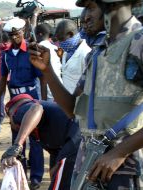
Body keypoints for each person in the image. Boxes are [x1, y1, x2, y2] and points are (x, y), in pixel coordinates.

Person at [29, 0, 143, 188]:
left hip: (126, 167)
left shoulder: (138, 42)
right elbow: (72, 110)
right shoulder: (97, 53)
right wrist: (47, 70)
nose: (84, 16)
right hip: (89, 164)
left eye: (91, 7)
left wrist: (120, 151)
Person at [0, 17, 45, 189]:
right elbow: (2, 80)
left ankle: (36, 178)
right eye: (11, 36)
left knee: (35, 139)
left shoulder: (32, 52)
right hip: (15, 103)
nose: (14, 38)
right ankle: (21, 175)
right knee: (18, 140)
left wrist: (43, 103)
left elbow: (43, 78)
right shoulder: (6, 55)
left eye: (17, 34)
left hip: (32, 99)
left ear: (23, 32)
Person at [1, 94, 81, 190]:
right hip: (77, 137)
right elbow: (56, 151)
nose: (12, 125)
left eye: (10, 121)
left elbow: (37, 108)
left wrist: (16, 145)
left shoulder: (20, 109)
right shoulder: (41, 128)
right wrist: (55, 168)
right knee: (60, 179)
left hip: (77, 136)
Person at [54, 19, 91, 95]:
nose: (60, 44)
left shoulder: (86, 54)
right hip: (66, 99)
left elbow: (88, 85)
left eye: (61, 39)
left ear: (70, 34)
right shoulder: (67, 51)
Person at [35, 23, 62, 102]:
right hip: (59, 88)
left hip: (47, 92)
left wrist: (44, 101)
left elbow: (42, 76)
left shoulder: (38, 49)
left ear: (39, 34)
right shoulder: (54, 47)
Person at [0, 33, 11, 123]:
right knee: (13, 95)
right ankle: (13, 114)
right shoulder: (12, 47)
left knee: (0, 96)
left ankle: (0, 117)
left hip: (1, 75)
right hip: (11, 75)